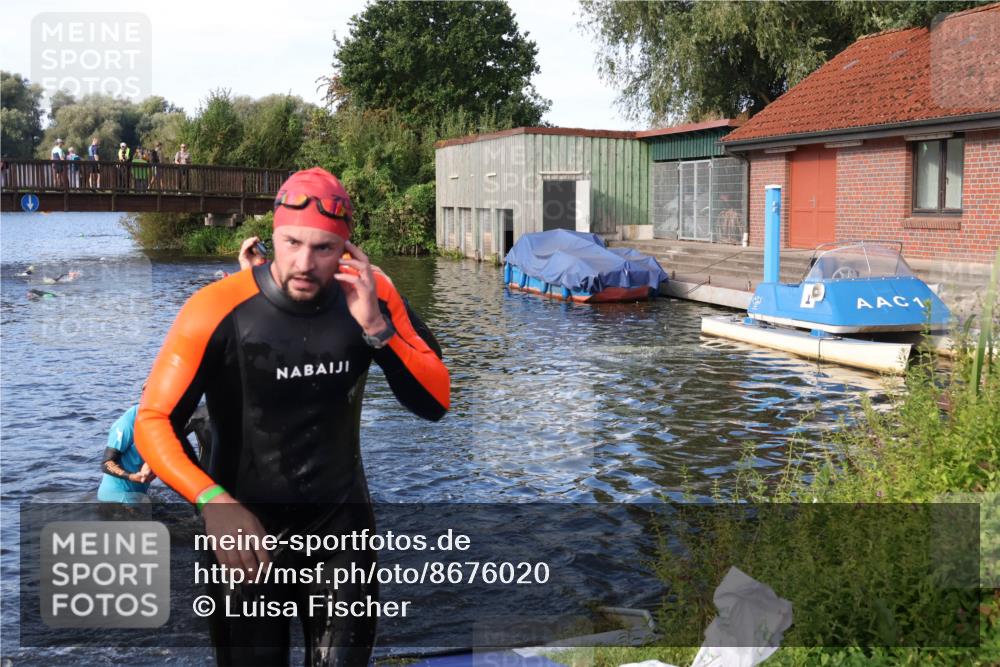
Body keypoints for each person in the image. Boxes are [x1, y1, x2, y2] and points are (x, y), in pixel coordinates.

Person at [135, 167, 449, 666]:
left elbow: (435, 403)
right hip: (242, 534)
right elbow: (152, 421)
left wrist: (376, 329)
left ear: (347, 249)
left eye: (324, 248)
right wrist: (211, 502)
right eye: (292, 243)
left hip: (340, 531)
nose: (304, 263)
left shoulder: (373, 294)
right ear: (272, 236)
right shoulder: (215, 308)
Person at [98, 400, 157, 504]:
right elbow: (106, 463)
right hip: (117, 500)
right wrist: (132, 476)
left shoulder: (165, 419)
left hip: (139, 495)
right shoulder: (127, 424)